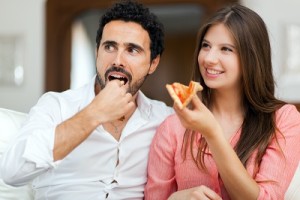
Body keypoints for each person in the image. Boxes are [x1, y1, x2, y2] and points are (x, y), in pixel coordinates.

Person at [0, 1, 173, 199]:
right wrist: (93, 114)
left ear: (153, 63)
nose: (118, 60)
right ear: (96, 51)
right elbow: (11, 173)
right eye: (109, 47)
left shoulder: (165, 119)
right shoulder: (55, 106)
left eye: (132, 50)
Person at [145, 3, 300, 200]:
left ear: (251, 57)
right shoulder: (172, 128)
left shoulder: (283, 119)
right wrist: (176, 199)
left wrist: (212, 133)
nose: (209, 58)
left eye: (226, 49)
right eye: (206, 46)